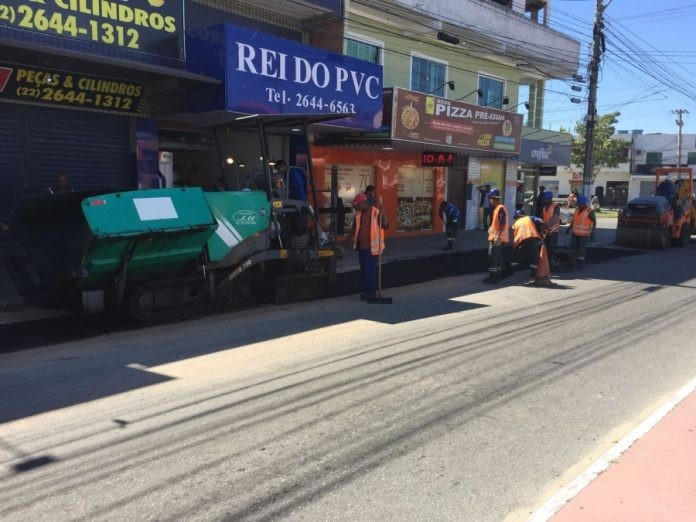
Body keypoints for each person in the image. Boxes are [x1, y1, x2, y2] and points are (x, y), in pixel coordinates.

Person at [353, 192, 389, 300]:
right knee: (364, 270)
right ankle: (366, 291)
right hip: (362, 247)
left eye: (358, 205)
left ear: (364, 203)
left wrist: (383, 211)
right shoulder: (359, 213)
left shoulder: (375, 212)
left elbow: (386, 224)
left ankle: (371, 292)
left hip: (372, 248)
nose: (357, 207)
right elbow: (355, 228)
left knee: (370, 270)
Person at [483, 188, 509, 284]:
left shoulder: (500, 208)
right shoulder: (499, 208)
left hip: (497, 239)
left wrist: (497, 236)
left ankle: (493, 278)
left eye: (490, 198)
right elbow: (498, 223)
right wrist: (491, 228)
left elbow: (502, 223)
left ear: (493, 198)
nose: (490, 201)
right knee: (498, 258)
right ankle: (498, 275)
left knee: (492, 258)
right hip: (499, 238)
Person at [511, 208, 546, 277]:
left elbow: (513, 234)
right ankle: (534, 272)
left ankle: (512, 269)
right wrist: (543, 232)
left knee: (517, 255)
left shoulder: (515, 223)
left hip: (522, 239)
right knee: (534, 255)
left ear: (517, 216)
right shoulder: (529, 218)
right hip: (533, 238)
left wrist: (514, 246)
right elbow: (541, 221)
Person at [567, 195, 596, 268]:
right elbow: (573, 220)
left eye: (579, 204)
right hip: (574, 233)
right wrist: (569, 228)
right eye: (578, 204)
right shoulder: (576, 210)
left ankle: (580, 262)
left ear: (583, 203)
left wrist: (593, 232)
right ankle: (572, 261)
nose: (578, 205)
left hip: (584, 234)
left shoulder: (590, 211)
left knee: (581, 249)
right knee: (572, 247)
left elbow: (594, 222)